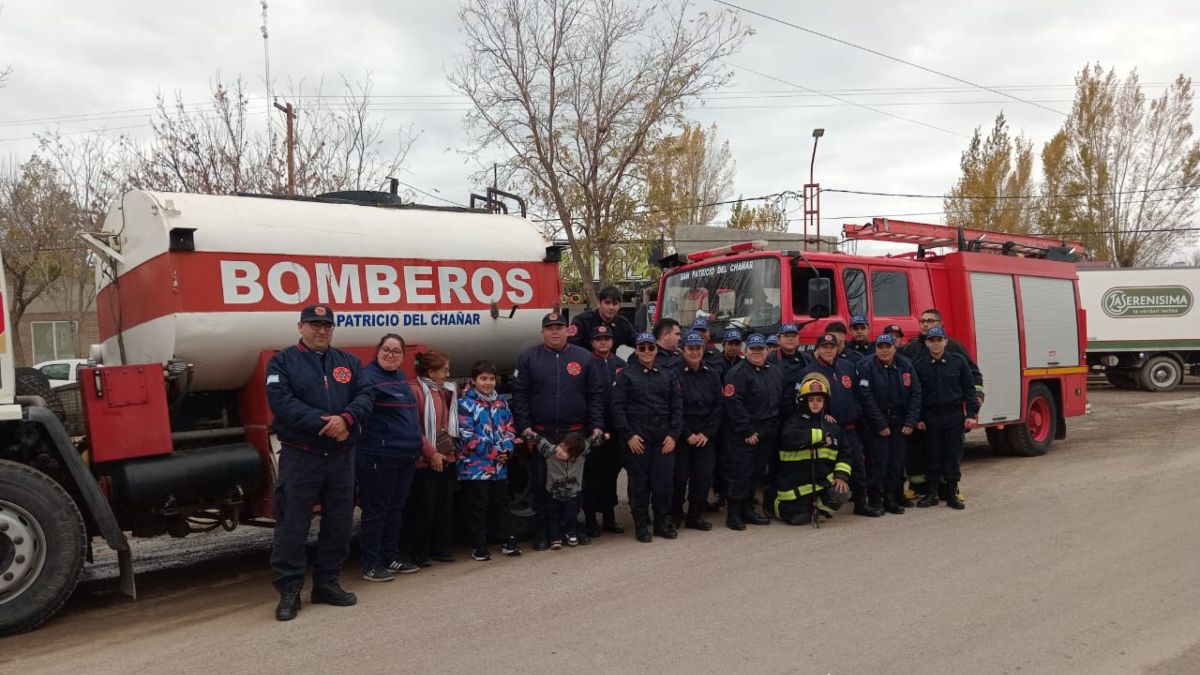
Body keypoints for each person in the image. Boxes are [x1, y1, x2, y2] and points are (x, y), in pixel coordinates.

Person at [266, 304, 375, 621]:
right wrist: (325, 423)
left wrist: (346, 418)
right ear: (300, 327)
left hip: (341, 457)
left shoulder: (349, 362)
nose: (321, 330)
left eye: (327, 325)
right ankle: (289, 591)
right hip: (302, 455)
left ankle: (327, 583)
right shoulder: (282, 361)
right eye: (314, 324)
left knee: (339, 524)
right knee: (292, 526)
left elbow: (366, 395)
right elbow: (282, 403)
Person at [511, 312, 606, 550]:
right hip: (541, 434)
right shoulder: (528, 357)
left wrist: (596, 426)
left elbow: (595, 395)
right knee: (542, 485)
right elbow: (520, 396)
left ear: (568, 331)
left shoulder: (584, 357)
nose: (555, 331)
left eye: (559, 327)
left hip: (574, 434)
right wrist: (525, 428)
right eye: (550, 328)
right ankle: (543, 532)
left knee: (575, 485)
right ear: (542, 332)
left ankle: (571, 528)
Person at [356, 333, 425, 583]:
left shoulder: (400, 378)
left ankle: (391, 556)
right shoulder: (368, 378)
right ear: (378, 351)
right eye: (386, 349)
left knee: (395, 509)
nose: (390, 355)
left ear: (403, 356)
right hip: (378, 456)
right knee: (376, 511)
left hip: (404, 456)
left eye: (396, 351)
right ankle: (372, 564)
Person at [902, 308, 984, 502]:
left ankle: (950, 490)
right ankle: (922, 488)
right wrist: (916, 416)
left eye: (930, 321)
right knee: (923, 453)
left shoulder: (956, 350)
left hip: (953, 414)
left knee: (951, 453)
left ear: (941, 326)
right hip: (927, 415)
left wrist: (975, 402)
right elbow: (913, 387)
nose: (925, 324)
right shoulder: (912, 349)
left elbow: (972, 378)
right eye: (922, 321)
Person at [796, 333, 879, 518]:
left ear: (837, 348)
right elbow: (800, 402)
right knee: (823, 468)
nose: (828, 350)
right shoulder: (808, 372)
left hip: (849, 428)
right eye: (824, 347)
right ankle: (822, 505)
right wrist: (823, 417)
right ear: (817, 348)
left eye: (831, 347)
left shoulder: (848, 367)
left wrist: (855, 412)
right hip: (824, 430)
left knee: (857, 465)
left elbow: (858, 394)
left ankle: (861, 503)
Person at [611, 332, 684, 542]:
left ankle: (662, 523)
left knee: (663, 483)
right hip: (637, 436)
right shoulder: (625, 375)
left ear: (656, 350)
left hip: (663, 436)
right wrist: (629, 435)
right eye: (642, 348)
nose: (646, 352)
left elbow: (677, 407)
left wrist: (673, 435)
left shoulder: (668, 375)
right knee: (640, 484)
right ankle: (641, 526)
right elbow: (617, 409)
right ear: (636, 350)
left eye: (650, 348)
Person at [765, 373, 853, 525]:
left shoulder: (832, 424)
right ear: (803, 401)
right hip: (795, 485)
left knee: (840, 493)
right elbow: (789, 438)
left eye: (819, 400)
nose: (815, 404)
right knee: (798, 519)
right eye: (811, 400)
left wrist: (841, 476)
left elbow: (845, 453)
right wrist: (821, 436)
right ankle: (771, 501)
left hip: (821, 483)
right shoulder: (793, 422)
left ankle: (819, 509)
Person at [456, 360, 522, 561]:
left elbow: (510, 427)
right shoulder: (465, 404)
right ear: (474, 380)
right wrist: (495, 453)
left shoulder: (501, 402)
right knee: (478, 507)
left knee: (501, 503)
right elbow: (466, 436)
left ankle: (509, 541)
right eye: (483, 378)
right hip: (474, 468)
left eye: (491, 378)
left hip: (499, 467)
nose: (488, 383)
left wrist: (507, 450)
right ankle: (479, 545)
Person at [721, 333, 784, 530]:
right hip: (746, 432)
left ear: (766, 350)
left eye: (760, 349)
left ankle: (748, 509)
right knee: (741, 473)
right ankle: (733, 514)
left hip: (768, 430)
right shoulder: (737, 373)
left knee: (756, 473)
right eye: (753, 349)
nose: (757, 353)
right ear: (746, 351)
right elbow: (734, 404)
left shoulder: (774, 371)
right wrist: (747, 430)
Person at [401, 350, 458, 567]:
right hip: (423, 460)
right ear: (430, 372)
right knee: (424, 507)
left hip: (444, 455)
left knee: (444, 505)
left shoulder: (442, 391)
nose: (447, 374)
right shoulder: (415, 391)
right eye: (444, 370)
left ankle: (441, 547)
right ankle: (420, 552)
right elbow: (414, 428)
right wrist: (430, 453)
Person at [856, 334, 922, 516]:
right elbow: (866, 397)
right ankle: (876, 500)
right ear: (875, 348)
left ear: (895, 347)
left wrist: (911, 421)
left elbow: (916, 392)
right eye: (880, 347)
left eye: (888, 346)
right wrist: (880, 423)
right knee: (878, 463)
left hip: (900, 422)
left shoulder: (905, 364)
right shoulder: (866, 366)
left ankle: (892, 498)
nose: (884, 350)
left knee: (896, 463)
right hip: (877, 424)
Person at [673, 331, 723, 531]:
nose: (694, 352)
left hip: (705, 435)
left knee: (703, 477)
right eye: (690, 349)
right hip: (682, 434)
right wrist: (687, 434)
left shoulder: (712, 374)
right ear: (683, 350)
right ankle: (675, 514)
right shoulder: (673, 373)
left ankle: (695, 515)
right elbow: (674, 407)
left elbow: (718, 406)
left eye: (698, 348)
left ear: (703, 349)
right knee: (679, 477)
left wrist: (706, 434)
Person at [582, 324, 626, 538]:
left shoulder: (620, 364)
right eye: (599, 339)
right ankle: (590, 520)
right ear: (592, 342)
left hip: (615, 429)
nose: (603, 342)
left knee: (611, 474)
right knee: (592, 475)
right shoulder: (586, 364)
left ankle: (609, 517)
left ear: (613, 341)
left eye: (607, 338)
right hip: (593, 429)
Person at [525, 431, 593, 548]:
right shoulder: (551, 452)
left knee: (571, 515)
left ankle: (570, 532)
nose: (560, 451)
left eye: (565, 451)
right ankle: (556, 538)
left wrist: (602, 436)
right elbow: (539, 439)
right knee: (553, 516)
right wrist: (525, 436)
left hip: (572, 494)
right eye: (561, 446)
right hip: (553, 494)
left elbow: (591, 442)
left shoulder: (581, 455)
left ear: (573, 456)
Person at [569, 284, 637, 349]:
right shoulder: (582, 321)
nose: (611, 307)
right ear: (599, 303)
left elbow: (638, 342)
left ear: (619, 306)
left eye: (615, 303)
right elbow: (571, 348)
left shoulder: (622, 324)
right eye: (607, 303)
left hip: (609, 360)